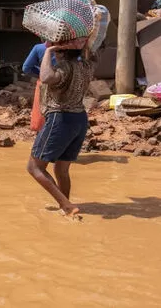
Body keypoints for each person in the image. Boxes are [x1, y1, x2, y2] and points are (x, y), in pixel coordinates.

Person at [26, 39, 95, 219]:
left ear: (60, 51)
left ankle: (66, 206)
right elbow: (88, 53)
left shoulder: (64, 67)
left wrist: (48, 52)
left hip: (60, 118)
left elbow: (47, 77)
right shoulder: (86, 66)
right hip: (79, 118)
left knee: (34, 167)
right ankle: (67, 206)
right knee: (61, 169)